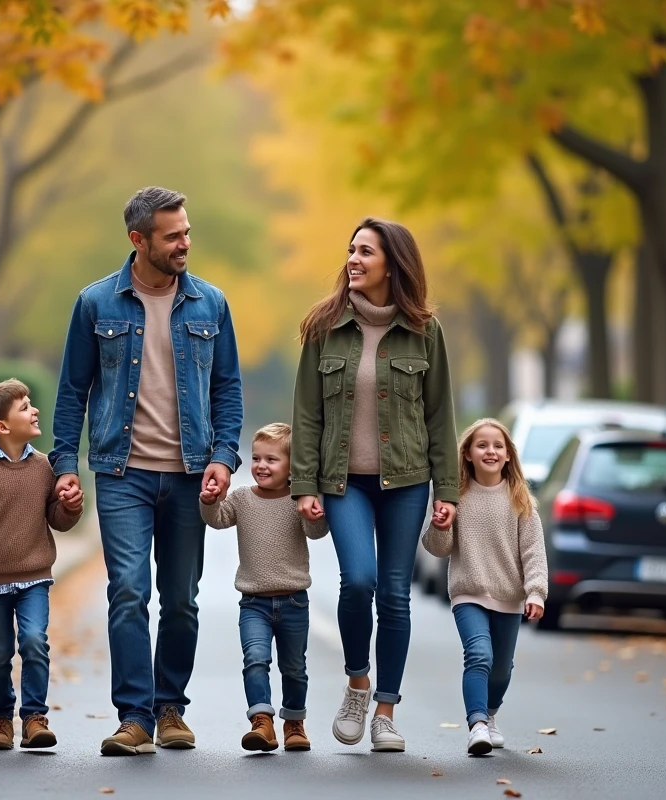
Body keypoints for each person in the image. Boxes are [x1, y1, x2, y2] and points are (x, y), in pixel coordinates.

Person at [50, 186, 244, 756]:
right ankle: (134, 717)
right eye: (172, 236)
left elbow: (228, 389)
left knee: (181, 598)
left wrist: (223, 456)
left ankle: (170, 708)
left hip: (189, 473)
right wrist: (65, 465)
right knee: (129, 591)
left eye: (187, 232)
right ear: (138, 240)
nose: (185, 243)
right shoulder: (95, 303)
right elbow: (72, 391)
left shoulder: (211, 303)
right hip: (122, 473)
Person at [290, 217, 459, 752]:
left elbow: (440, 417)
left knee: (394, 595)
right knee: (358, 580)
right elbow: (307, 415)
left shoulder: (425, 331)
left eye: (366, 251)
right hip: (344, 483)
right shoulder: (324, 327)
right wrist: (304, 484)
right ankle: (358, 683)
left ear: (393, 264)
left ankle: (386, 712)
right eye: (351, 250)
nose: (353, 260)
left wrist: (447, 492)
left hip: (406, 482)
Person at [0, 379, 84, 752]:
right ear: (2, 427)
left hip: (34, 578)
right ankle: (1, 721)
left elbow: (58, 519)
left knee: (35, 641)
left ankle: (35, 718)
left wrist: (70, 506)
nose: (34, 410)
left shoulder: (46, 468)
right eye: (24, 407)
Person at [422, 418, 548, 755]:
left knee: (501, 669)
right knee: (479, 654)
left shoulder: (520, 501)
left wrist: (536, 592)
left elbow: (534, 552)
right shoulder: (456, 497)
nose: (490, 451)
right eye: (482, 445)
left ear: (508, 455)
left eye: (497, 446)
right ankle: (477, 724)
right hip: (468, 593)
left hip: (509, 597)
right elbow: (437, 548)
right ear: (467, 454)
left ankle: (490, 714)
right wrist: (440, 525)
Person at [200, 423, 330, 752]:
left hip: (294, 602)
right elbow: (217, 519)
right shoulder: (242, 498)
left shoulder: (298, 499)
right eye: (256, 458)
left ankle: (294, 723)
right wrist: (209, 501)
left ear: (292, 467)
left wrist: (315, 514)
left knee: (294, 668)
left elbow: (316, 533)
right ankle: (262, 721)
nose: (261, 465)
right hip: (253, 603)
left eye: (272, 459)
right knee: (255, 660)